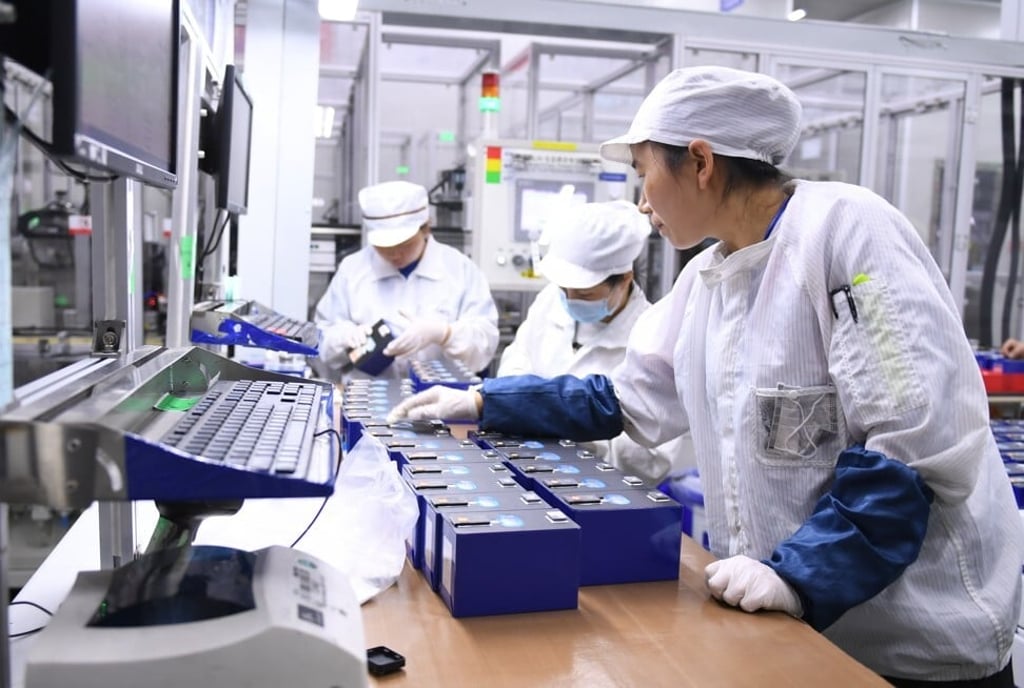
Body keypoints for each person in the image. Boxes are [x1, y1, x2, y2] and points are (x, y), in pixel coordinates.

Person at [389, 66, 1024, 686]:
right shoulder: (707, 280)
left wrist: (798, 576)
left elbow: (911, 451)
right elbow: (625, 400)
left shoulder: (849, 233)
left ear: (699, 161)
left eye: (644, 173)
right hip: (793, 633)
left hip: (911, 647)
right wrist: (484, 399)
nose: (642, 202)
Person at [499, 199, 690, 482]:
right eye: (565, 289)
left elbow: (654, 460)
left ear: (624, 279)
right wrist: (524, 406)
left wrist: (580, 435)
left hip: (600, 493)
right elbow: (516, 361)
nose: (570, 300)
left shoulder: (654, 338)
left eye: (585, 294)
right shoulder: (551, 301)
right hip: (530, 468)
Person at [315, 180, 499, 379]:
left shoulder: (460, 270)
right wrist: (344, 336)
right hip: (366, 402)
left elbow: (484, 344)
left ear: (426, 228)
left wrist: (445, 334)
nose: (395, 255)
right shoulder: (352, 270)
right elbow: (323, 339)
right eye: (384, 248)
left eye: (405, 245)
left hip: (442, 403)